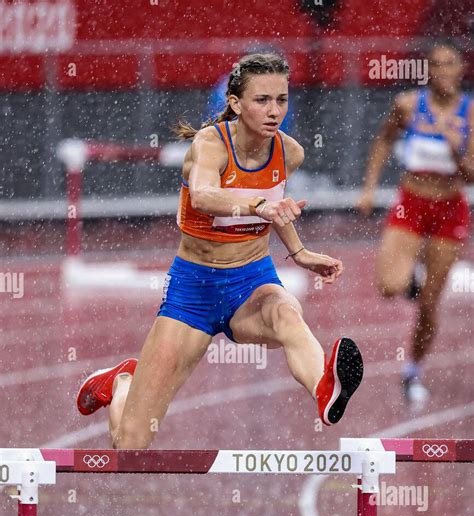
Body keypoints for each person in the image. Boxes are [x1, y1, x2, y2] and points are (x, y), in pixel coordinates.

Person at [77, 53, 363, 449]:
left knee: (286, 314)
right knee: (131, 443)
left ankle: (325, 389)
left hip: (251, 280)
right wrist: (254, 205)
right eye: (262, 100)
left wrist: (299, 252)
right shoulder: (210, 145)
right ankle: (123, 382)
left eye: (281, 100)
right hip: (193, 292)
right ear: (235, 103)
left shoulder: (289, 152)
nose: (274, 110)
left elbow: (275, 206)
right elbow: (207, 195)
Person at [357, 40, 472, 404]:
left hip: (450, 208)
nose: (442, 71)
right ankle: (411, 283)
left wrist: (457, 148)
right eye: (435, 65)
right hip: (411, 202)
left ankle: (413, 371)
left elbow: (470, 177)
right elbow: (382, 141)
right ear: (428, 71)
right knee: (389, 285)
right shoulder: (407, 105)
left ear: (460, 69)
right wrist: (369, 188)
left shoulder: (469, 114)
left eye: (449, 64)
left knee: (429, 305)